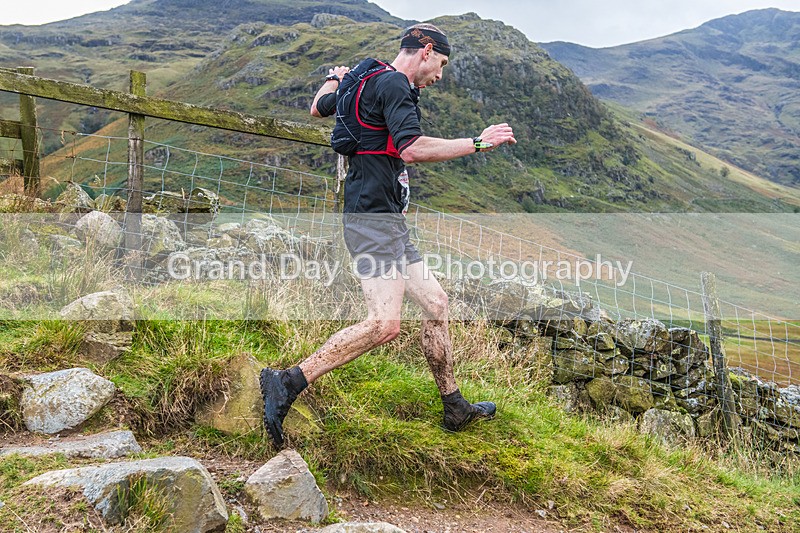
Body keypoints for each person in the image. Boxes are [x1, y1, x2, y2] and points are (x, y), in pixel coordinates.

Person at [260, 23, 517, 449]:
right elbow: (412, 148)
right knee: (384, 324)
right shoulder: (395, 83)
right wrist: (478, 142)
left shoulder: (363, 75)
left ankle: (454, 406)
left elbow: (318, 107)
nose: (440, 76)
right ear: (427, 50)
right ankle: (286, 381)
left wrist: (334, 76)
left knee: (436, 303)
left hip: (387, 219)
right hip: (370, 218)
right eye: (442, 65)